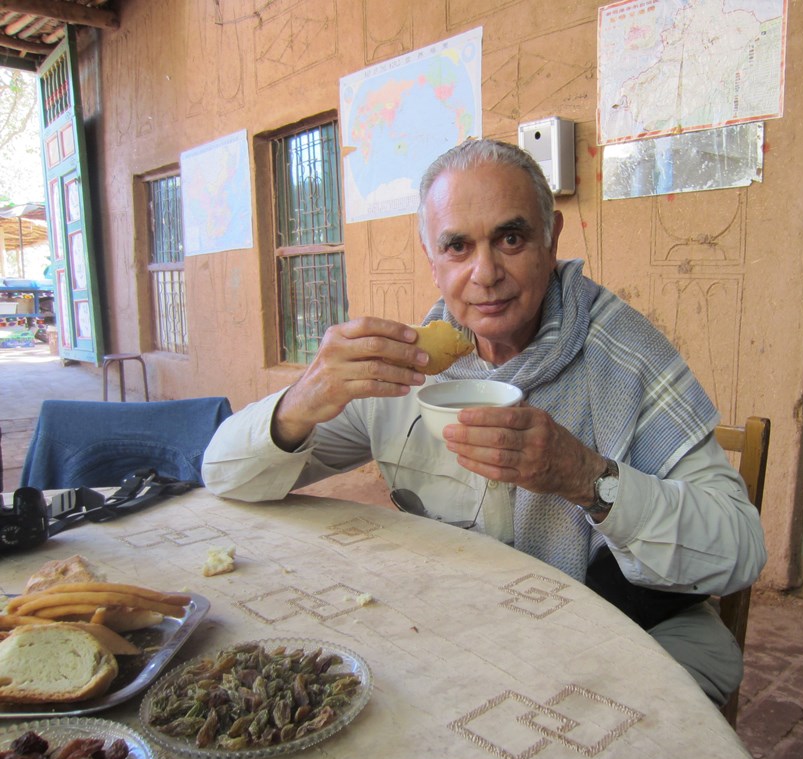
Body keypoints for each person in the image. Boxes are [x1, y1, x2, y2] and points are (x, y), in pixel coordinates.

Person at [202, 138, 766, 706]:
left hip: (625, 625)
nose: (485, 273)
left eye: (511, 238)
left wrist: (585, 477)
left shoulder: (623, 358)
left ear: (552, 240)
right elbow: (225, 475)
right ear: (432, 260)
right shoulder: (407, 370)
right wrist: (304, 397)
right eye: (457, 246)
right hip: (467, 630)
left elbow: (740, 550)